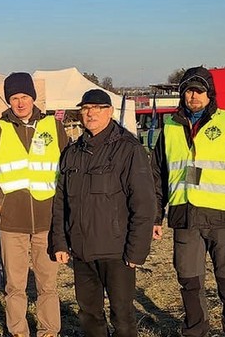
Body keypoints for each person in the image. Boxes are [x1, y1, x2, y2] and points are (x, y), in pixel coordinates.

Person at [152, 66, 225, 337]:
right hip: (185, 219)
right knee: (190, 285)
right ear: (182, 94)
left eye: (200, 90)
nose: (194, 96)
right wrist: (156, 217)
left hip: (224, 221)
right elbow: (157, 175)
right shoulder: (169, 127)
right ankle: (195, 332)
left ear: (210, 94)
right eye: (189, 90)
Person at [50, 89, 156, 337]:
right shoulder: (72, 152)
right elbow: (61, 202)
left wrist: (137, 251)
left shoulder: (128, 150)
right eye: (86, 108)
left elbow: (144, 203)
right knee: (88, 314)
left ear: (109, 112)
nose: (91, 113)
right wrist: (60, 242)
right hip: (82, 251)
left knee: (122, 315)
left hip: (117, 252)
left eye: (97, 108)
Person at [0, 72, 67, 337]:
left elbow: (68, 168)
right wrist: (0, 204)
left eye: (24, 97)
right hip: (11, 223)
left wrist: (61, 207)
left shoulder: (53, 127)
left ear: (33, 98)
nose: (20, 103)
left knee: (47, 284)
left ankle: (49, 331)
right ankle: (18, 332)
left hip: (46, 220)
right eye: (14, 98)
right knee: (15, 286)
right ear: (9, 101)